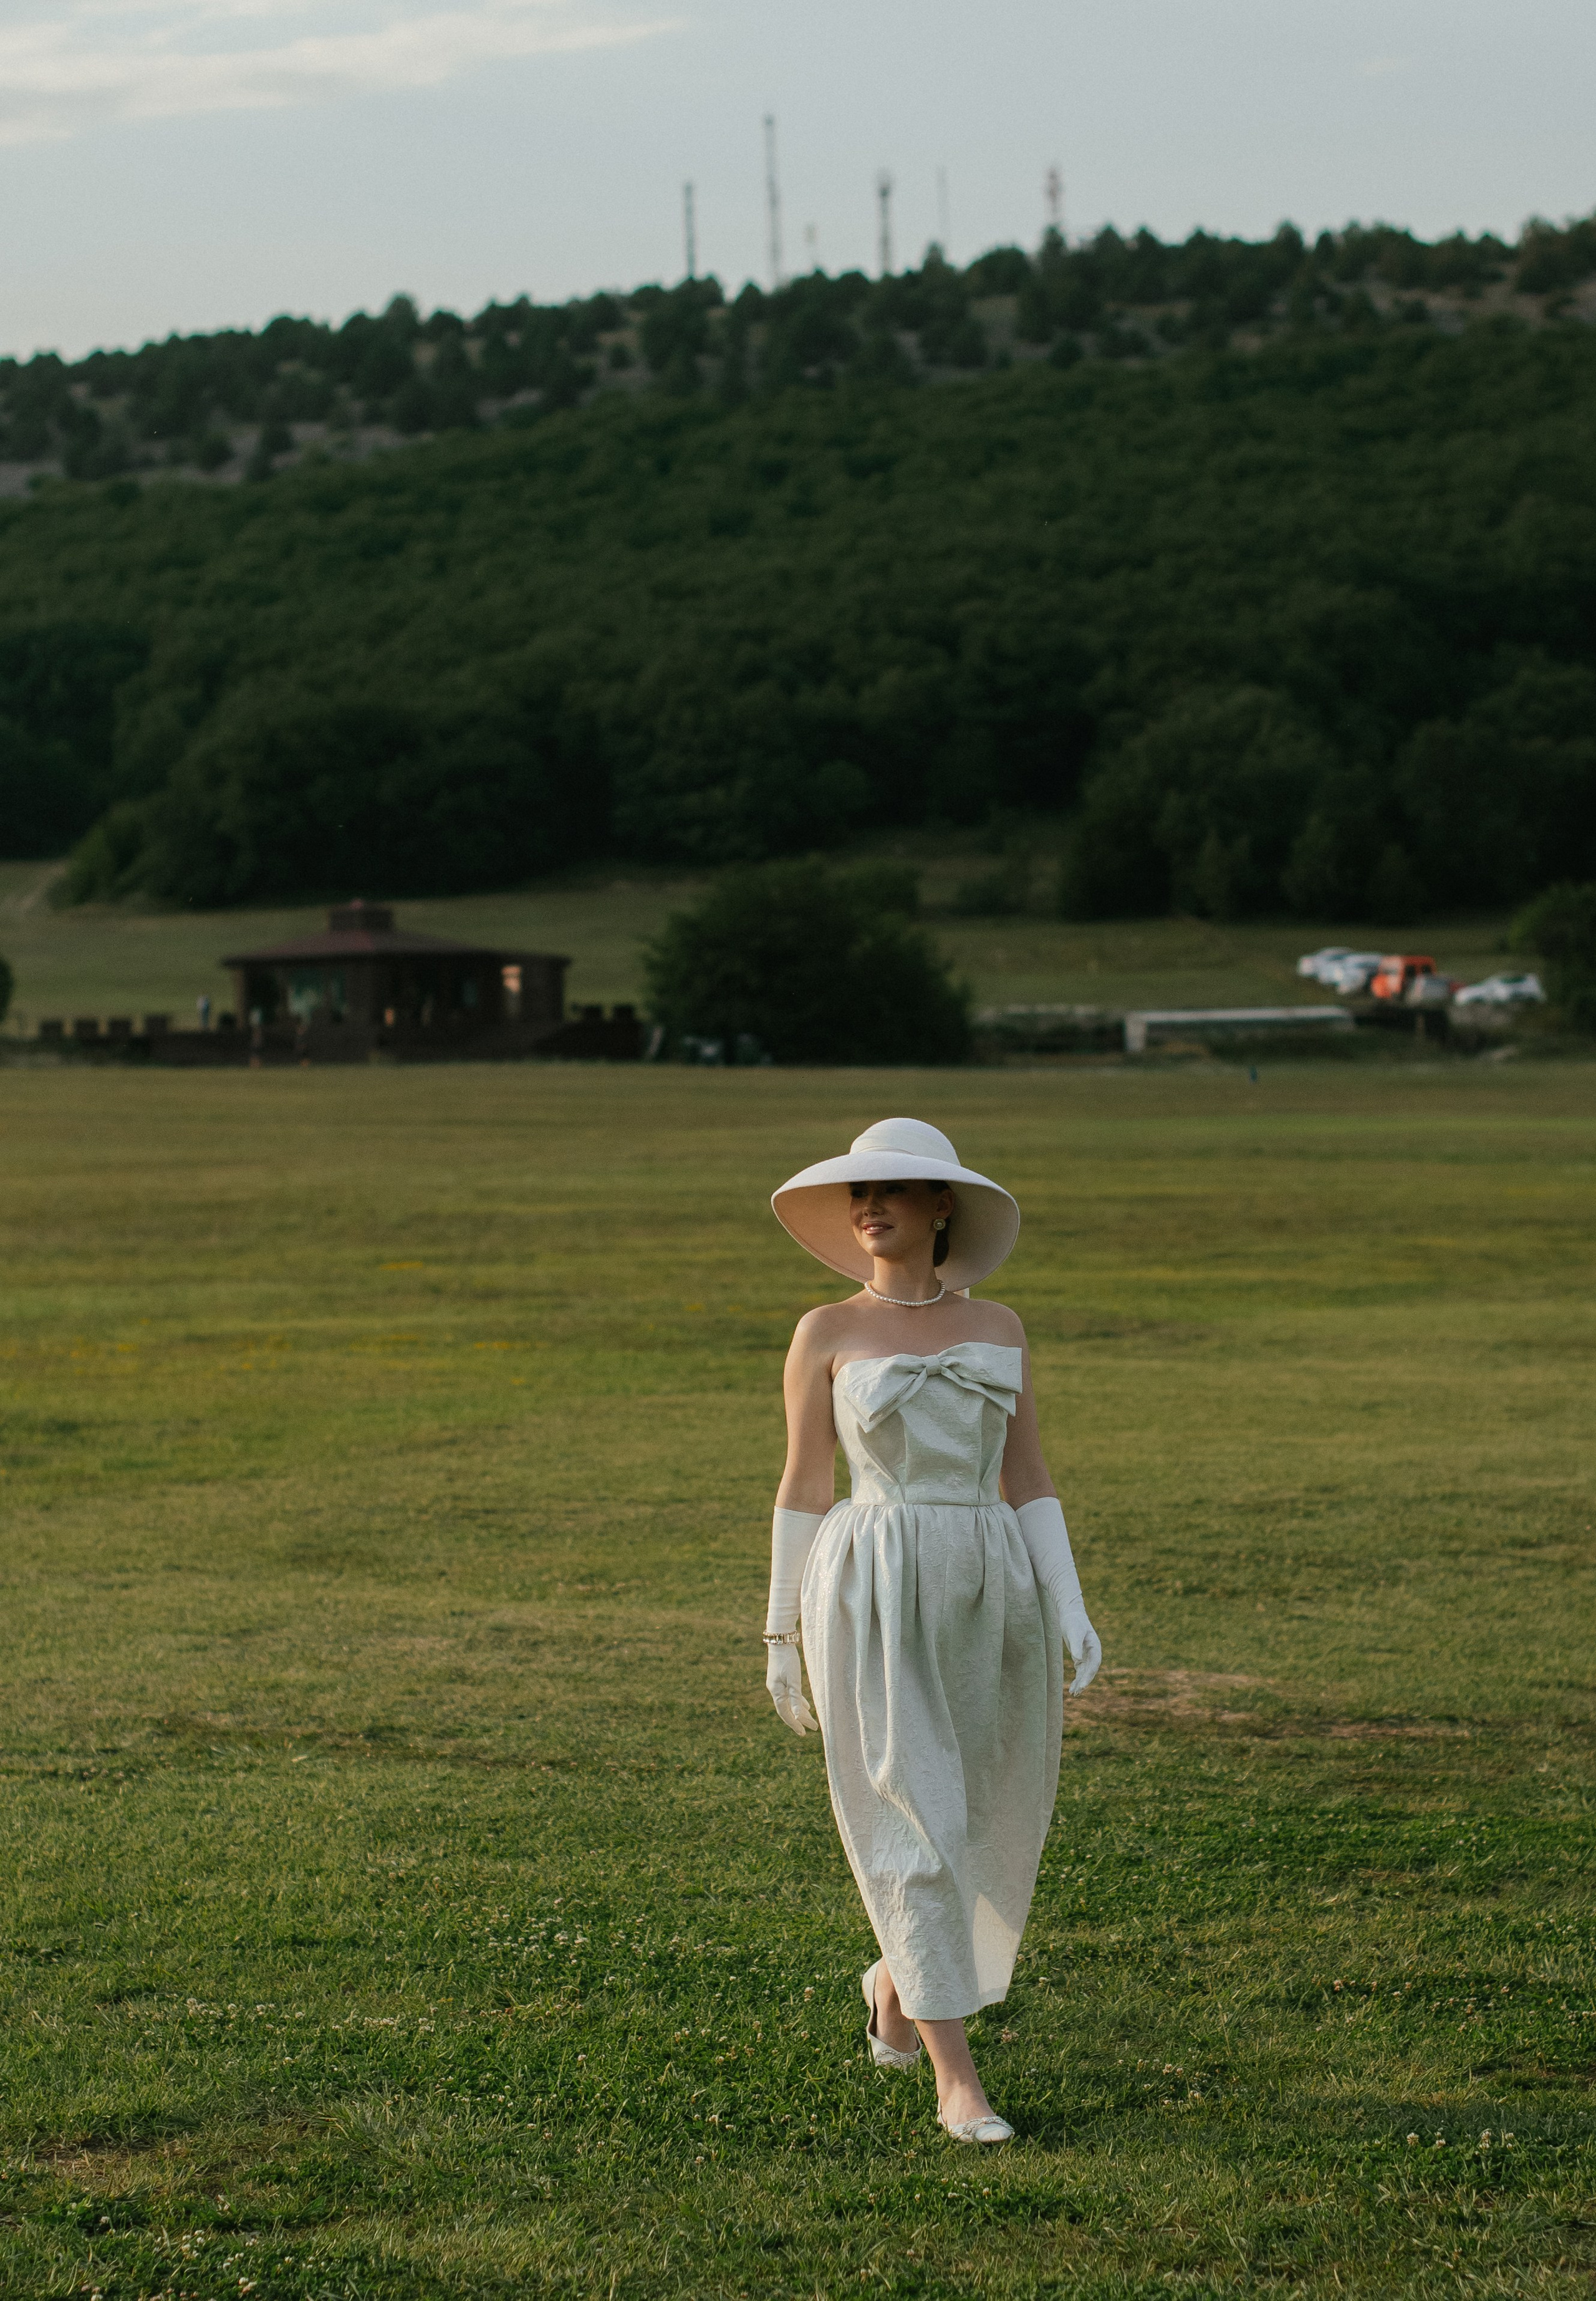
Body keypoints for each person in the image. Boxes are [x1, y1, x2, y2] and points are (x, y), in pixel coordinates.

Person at [764, 1116, 1101, 2145]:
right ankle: (959, 2080)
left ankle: (894, 1982)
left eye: (894, 1193)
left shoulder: (1000, 1328)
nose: (870, 1210)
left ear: (941, 1206)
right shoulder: (824, 1330)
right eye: (859, 1197)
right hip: (869, 1582)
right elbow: (805, 1484)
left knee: (978, 1806)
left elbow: (1028, 1475)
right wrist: (780, 1633)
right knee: (912, 1815)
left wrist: (1071, 1598)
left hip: (989, 1578)